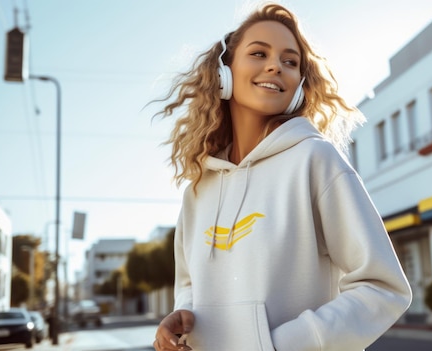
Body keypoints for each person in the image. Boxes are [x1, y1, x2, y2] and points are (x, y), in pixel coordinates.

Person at [152, 3, 412, 350]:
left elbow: (384, 288)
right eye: (259, 53)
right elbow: (190, 286)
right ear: (224, 72)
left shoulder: (314, 159)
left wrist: (280, 345)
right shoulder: (198, 189)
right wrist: (182, 317)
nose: (276, 66)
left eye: (291, 62)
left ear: (300, 84)